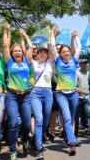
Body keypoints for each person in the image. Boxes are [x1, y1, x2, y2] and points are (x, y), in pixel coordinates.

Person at [2, 24, 33, 159]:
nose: (17, 52)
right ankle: (13, 149)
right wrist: (6, 31)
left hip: (26, 96)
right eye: (15, 51)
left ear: (22, 52)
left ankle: (25, 140)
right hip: (11, 96)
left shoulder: (27, 61)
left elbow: (31, 47)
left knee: (26, 124)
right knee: (13, 123)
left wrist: (24, 36)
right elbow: (5, 46)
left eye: (19, 50)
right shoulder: (9, 62)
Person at [50, 26, 80, 155]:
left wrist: (74, 37)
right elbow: (52, 46)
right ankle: (72, 144)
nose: (67, 53)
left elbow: (79, 48)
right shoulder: (58, 62)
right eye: (64, 52)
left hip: (73, 94)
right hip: (61, 94)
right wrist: (53, 33)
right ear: (61, 54)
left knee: (71, 118)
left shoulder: (74, 60)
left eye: (68, 51)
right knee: (67, 117)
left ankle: (67, 135)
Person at [25, 31, 54, 159]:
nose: (42, 54)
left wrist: (52, 34)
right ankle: (39, 147)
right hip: (36, 92)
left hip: (48, 93)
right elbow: (28, 55)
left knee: (45, 121)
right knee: (39, 119)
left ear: (47, 55)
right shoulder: (34, 63)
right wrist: (27, 39)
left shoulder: (50, 63)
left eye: (45, 52)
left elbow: (52, 47)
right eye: (40, 52)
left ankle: (36, 139)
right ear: (38, 54)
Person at [75, 59, 90, 137]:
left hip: (87, 97)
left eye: (85, 63)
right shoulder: (76, 73)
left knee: (89, 113)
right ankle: (75, 131)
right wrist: (77, 89)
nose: (84, 65)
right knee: (76, 115)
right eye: (83, 63)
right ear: (80, 64)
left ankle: (89, 130)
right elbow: (73, 85)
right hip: (78, 97)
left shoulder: (89, 73)